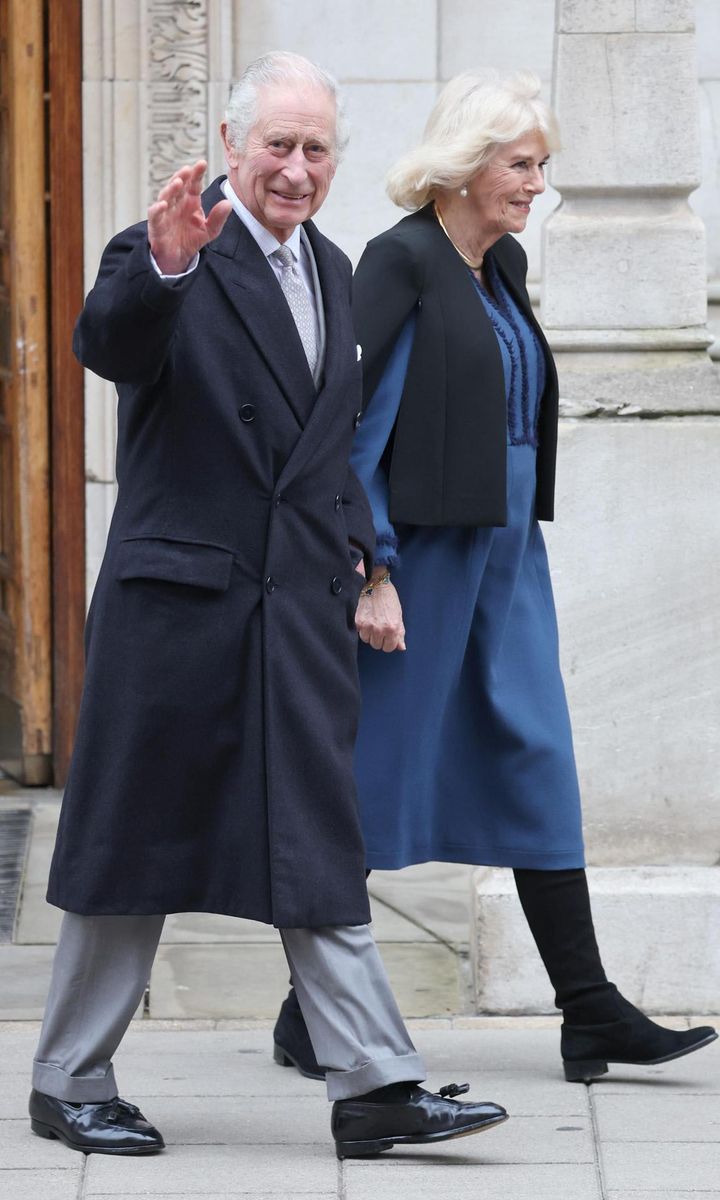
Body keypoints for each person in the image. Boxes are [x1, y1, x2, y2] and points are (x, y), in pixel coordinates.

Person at [29, 53, 508, 1161]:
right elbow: (107, 342)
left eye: (316, 149)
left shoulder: (337, 271)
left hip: (293, 609)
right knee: (130, 847)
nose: (297, 170)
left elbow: (330, 451)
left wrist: (372, 567)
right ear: (234, 147)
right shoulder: (170, 248)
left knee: (315, 845)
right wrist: (162, 267)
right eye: (278, 147)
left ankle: (376, 1083)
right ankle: (68, 1079)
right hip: (179, 607)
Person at [273, 69, 717, 1085]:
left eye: (540, 165)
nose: (536, 185)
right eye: (522, 165)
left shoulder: (498, 265)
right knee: (377, 778)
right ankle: (311, 1011)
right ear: (467, 166)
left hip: (509, 558)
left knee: (536, 759)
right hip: (421, 562)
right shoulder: (401, 263)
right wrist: (371, 567)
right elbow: (351, 430)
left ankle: (590, 1008)